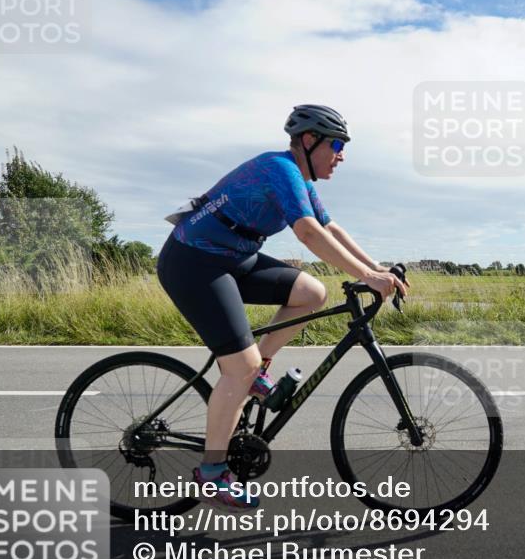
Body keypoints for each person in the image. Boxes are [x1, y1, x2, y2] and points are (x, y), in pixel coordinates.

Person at [156, 105, 408, 510]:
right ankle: (212, 473)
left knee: (311, 293)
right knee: (239, 369)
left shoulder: (301, 179)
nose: (341, 155)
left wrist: (374, 268)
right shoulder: (281, 169)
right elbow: (307, 233)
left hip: (233, 258)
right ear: (309, 141)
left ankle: (258, 373)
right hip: (194, 262)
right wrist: (370, 276)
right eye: (337, 145)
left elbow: (330, 228)